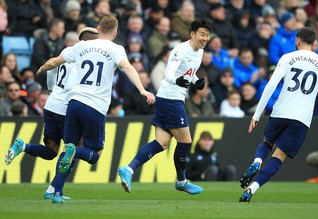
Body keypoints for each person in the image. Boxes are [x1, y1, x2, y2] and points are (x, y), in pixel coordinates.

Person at [36, 15, 154, 204]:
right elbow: (128, 67)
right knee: (93, 154)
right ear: (115, 33)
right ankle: (71, 158)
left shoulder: (81, 46)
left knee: (69, 147)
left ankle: (55, 191)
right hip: (95, 105)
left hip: (74, 102)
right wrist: (142, 89)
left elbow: (54, 62)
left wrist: (41, 68)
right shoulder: (116, 49)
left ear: (98, 29)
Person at [238, 27, 318, 202]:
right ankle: (251, 190)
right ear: (314, 43)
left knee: (267, 142)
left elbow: (271, 85)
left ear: (297, 41)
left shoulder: (287, 58)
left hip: (280, 111)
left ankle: (257, 161)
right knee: (278, 157)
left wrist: (256, 115)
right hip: (301, 119)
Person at [4, 27, 100, 202]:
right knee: (72, 149)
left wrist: (52, 91)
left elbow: (52, 70)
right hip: (66, 108)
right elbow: (73, 84)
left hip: (51, 104)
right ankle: (55, 191)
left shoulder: (66, 51)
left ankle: (23, 146)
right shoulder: (85, 57)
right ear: (92, 41)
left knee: (51, 151)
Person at [118, 18, 212, 195]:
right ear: (192, 34)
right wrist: (177, 80)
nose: (205, 38)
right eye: (202, 34)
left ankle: (128, 169)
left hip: (168, 99)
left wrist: (195, 81)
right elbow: (169, 74)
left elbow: (187, 73)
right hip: (171, 99)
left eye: (207, 35)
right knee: (185, 141)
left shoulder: (199, 51)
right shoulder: (180, 50)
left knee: (161, 143)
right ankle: (181, 181)